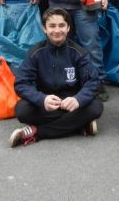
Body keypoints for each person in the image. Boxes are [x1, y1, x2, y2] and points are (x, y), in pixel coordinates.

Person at [10, 8, 103, 147]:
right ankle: (79, 124)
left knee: (95, 107)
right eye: (52, 26)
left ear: (68, 28)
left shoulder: (79, 52)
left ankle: (37, 132)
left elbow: (93, 81)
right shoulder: (35, 53)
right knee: (22, 111)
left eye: (61, 25)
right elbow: (21, 83)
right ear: (44, 28)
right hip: (47, 104)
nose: (57, 30)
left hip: (72, 103)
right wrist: (41, 99)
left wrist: (78, 99)